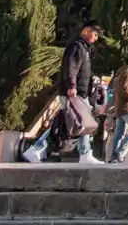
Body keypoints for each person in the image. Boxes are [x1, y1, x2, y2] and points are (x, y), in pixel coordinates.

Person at [47, 20, 102, 163]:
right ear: (86, 31)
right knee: (82, 120)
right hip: (73, 92)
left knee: (68, 121)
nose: (95, 38)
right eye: (94, 34)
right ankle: (85, 153)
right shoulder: (77, 47)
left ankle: (37, 148)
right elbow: (71, 68)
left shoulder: (85, 49)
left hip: (79, 92)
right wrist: (72, 86)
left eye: (96, 36)